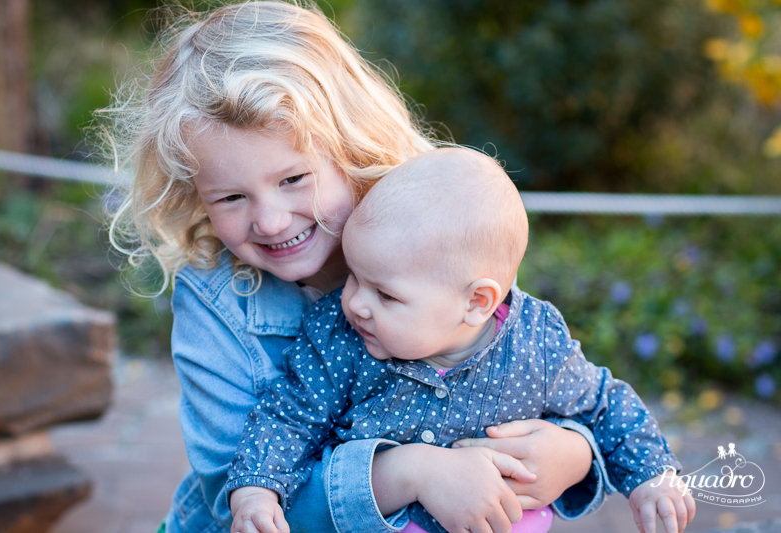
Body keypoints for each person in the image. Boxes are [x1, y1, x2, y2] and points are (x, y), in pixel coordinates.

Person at [101, 2, 612, 532]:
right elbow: (237, 499)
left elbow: (541, 378)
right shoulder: (215, 301)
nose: (271, 221)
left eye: (294, 178)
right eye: (231, 197)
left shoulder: (435, 227)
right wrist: (408, 473)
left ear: (350, 146)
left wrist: (573, 452)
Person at [226, 148, 697, 533]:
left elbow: (605, 405)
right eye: (354, 277)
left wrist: (653, 475)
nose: (355, 304)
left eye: (385, 294)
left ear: (476, 303)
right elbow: (289, 414)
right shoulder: (339, 336)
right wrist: (257, 486)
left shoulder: (535, 346)